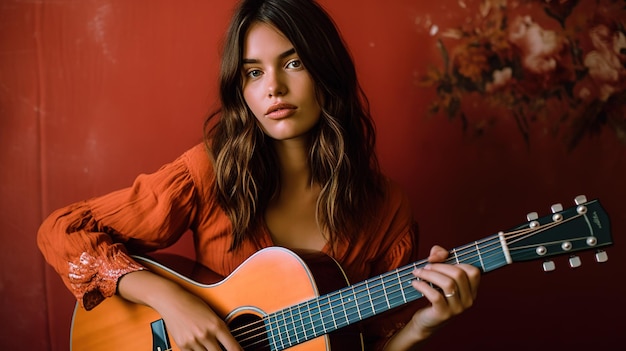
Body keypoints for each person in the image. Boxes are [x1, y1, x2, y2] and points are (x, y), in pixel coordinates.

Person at [37, 0, 481, 350]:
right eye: (254, 72)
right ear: (241, 89)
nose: (273, 87)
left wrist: (423, 326)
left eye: (293, 63)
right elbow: (63, 230)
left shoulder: (386, 209)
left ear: (326, 72)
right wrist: (173, 302)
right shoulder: (208, 173)